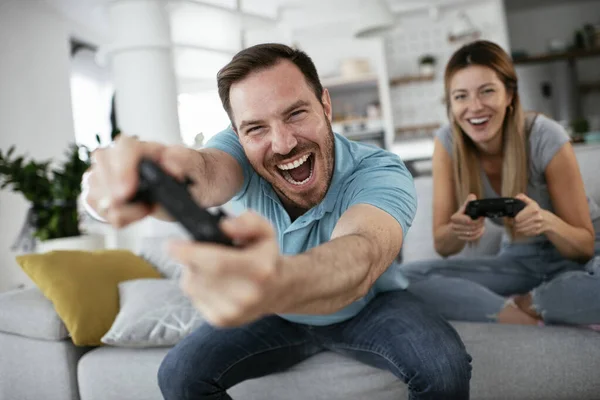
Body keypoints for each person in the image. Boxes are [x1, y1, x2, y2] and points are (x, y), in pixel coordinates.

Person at [83, 43, 472, 400]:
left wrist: (275, 283)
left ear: (325, 105)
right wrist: (149, 175)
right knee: (179, 374)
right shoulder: (236, 152)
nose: (284, 143)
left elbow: (363, 254)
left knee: (444, 367)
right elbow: (204, 170)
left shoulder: (379, 171)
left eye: (296, 114)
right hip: (276, 317)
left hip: (369, 307)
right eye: (256, 128)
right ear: (237, 134)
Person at [398, 40, 600, 327]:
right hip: (519, 261)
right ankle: (518, 315)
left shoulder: (544, 135)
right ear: (451, 105)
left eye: (487, 91)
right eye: (461, 97)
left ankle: (536, 302)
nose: (474, 107)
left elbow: (583, 245)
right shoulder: (447, 143)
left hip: (584, 257)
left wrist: (545, 222)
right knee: (401, 278)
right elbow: (443, 245)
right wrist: (460, 230)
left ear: (510, 95)